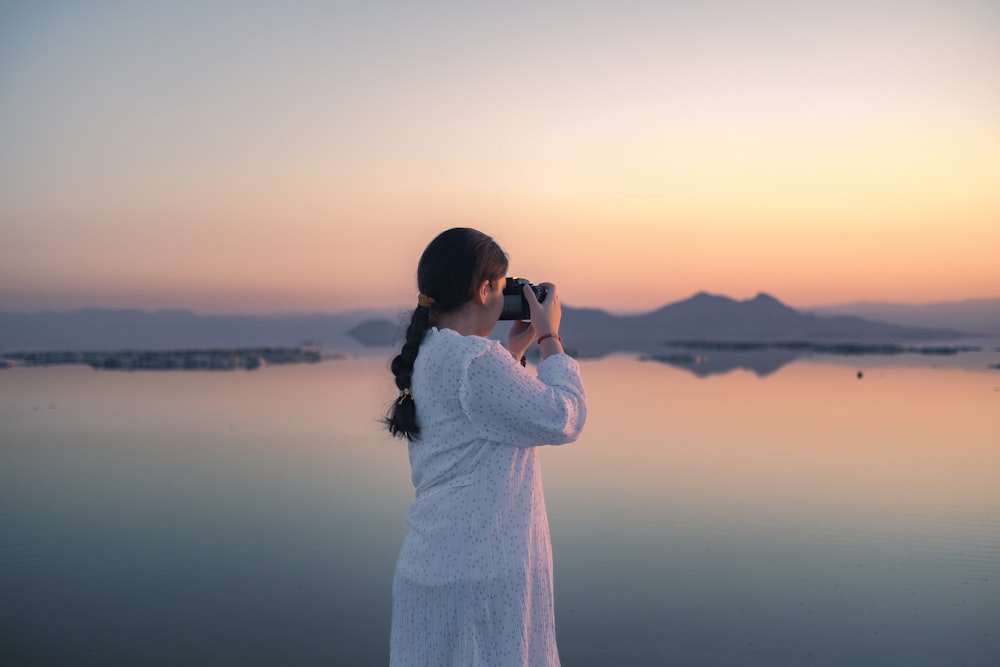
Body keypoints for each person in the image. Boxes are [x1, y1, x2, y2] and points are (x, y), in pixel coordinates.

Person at [384, 227, 587, 666]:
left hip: (430, 570)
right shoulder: (476, 362)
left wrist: (513, 351)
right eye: (504, 286)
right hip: (484, 577)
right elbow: (565, 416)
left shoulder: (428, 355)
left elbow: (476, 418)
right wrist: (550, 338)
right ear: (483, 289)